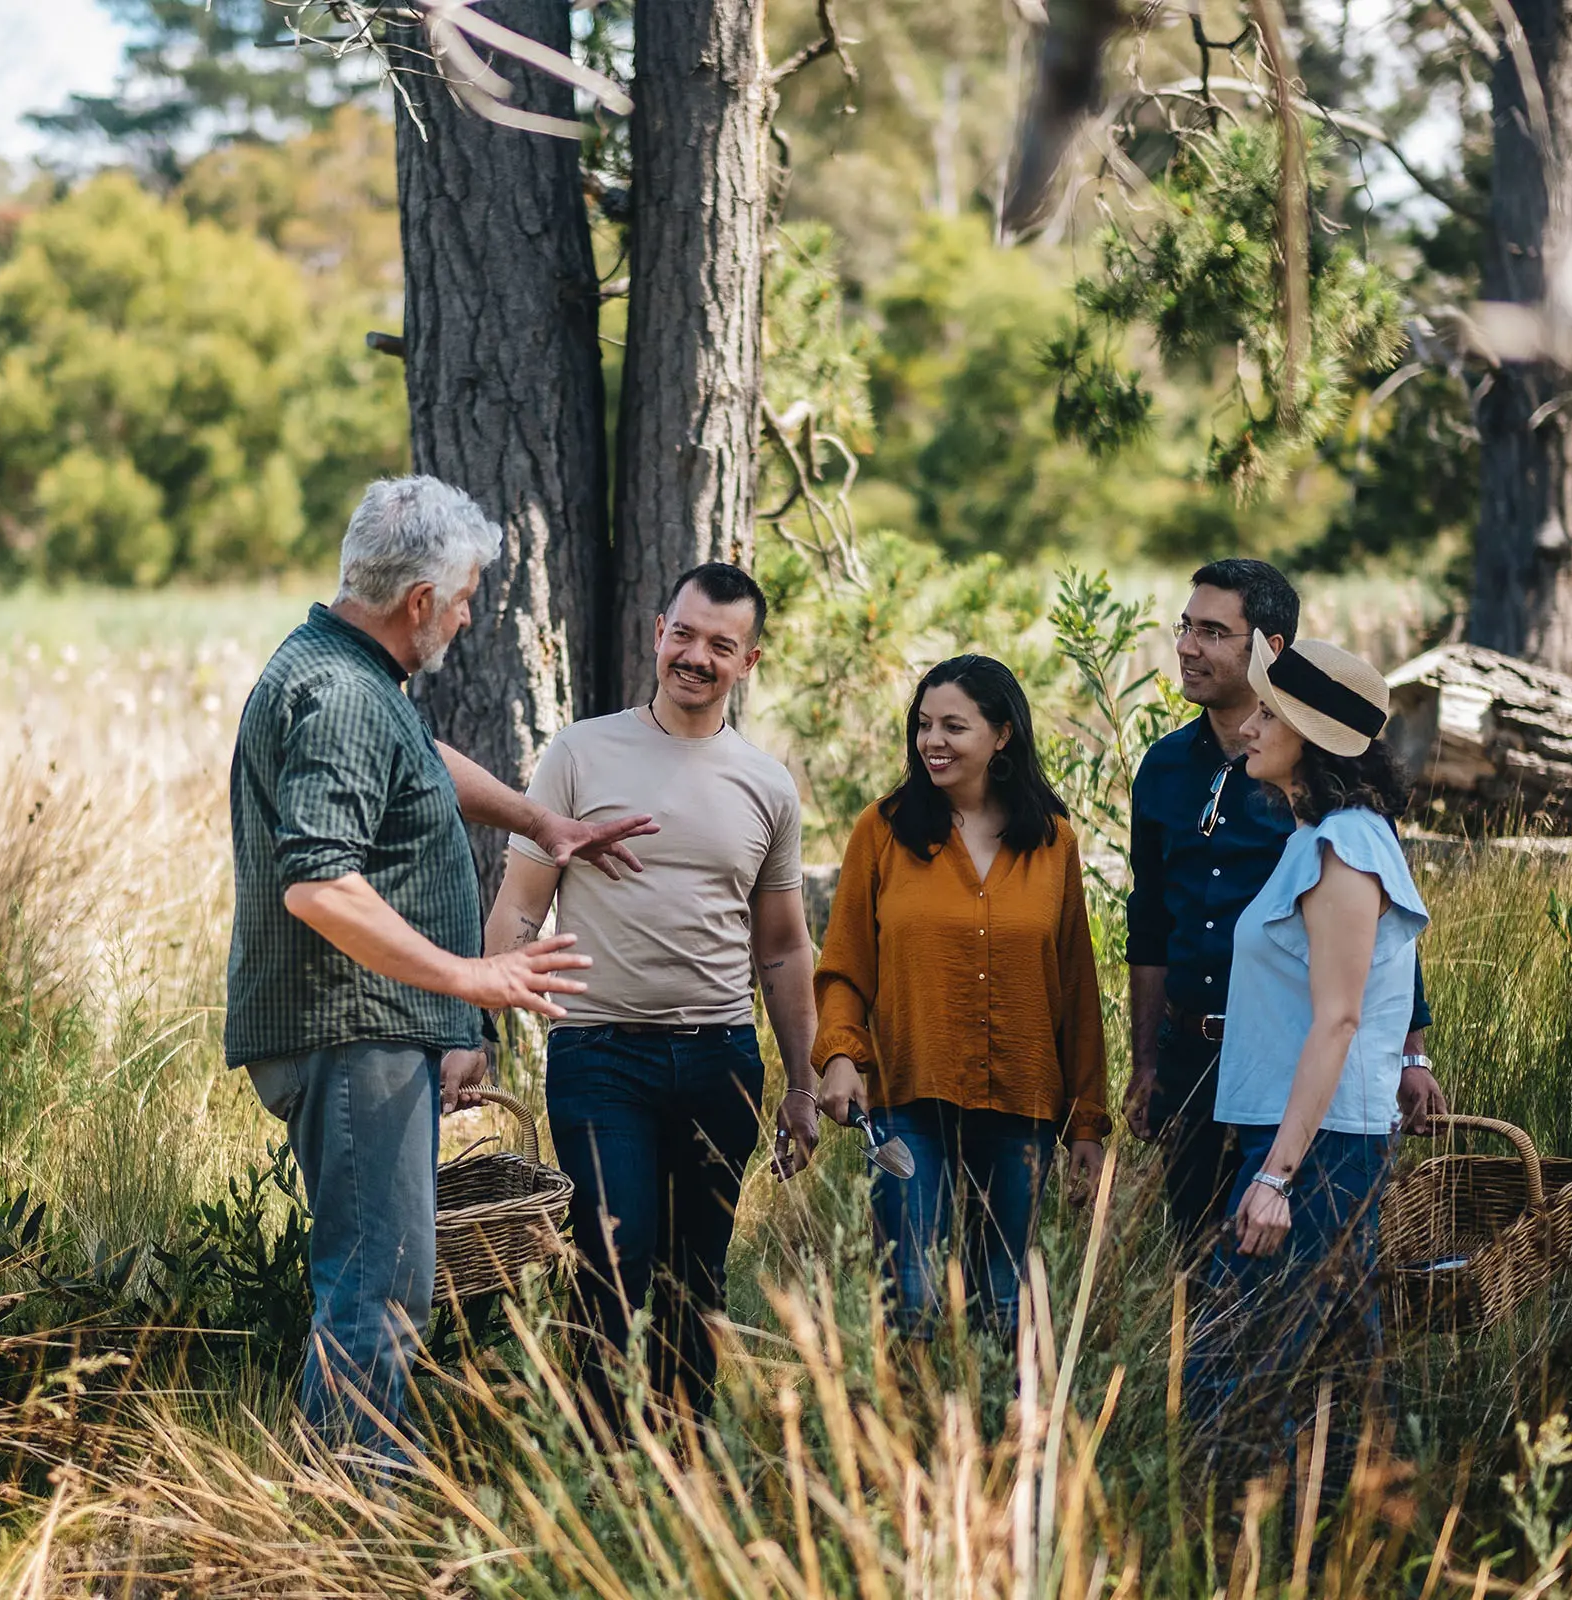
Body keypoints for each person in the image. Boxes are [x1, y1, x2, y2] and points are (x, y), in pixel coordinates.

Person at [226, 476, 654, 1458]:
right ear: (419, 601)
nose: (468, 614)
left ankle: (347, 1488)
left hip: (375, 1032)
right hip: (351, 1033)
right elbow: (318, 886)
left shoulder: (356, 677)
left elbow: (417, 756)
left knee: (382, 1276)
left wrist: (539, 819)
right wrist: (471, 983)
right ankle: (350, 1517)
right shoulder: (337, 696)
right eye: (463, 597)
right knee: (378, 1283)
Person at [482, 561, 822, 1431]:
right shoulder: (579, 752)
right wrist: (474, 1024)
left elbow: (782, 948)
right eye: (684, 633)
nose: (696, 656)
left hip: (721, 1060)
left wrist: (803, 1083)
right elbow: (519, 906)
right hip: (601, 1057)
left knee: (696, 1275)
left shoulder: (766, 785)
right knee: (611, 1259)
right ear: (656, 631)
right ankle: (602, 1467)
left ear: (748, 662)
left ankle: (684, 1467)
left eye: (721, 645)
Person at [1123, 560, 1445, 1253]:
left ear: (1268, 648)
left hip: (1298, 1074)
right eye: (1186, 627)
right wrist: (1145, 1062)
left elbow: (1373, 945)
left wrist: (1411, 1055)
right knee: (1203, 1267)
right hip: (1195, 1063)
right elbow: (1148, 922)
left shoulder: (1336, 815)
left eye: (1212, 631)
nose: (1187, 646)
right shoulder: (1163, 768)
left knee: (1265, 1295)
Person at [1184, 632, 1430, 1480]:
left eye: (1267, 714)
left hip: (1319, 1153)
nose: (1247, 728)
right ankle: (1345, 1542)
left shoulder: (1345, 850)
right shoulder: (1320, 839)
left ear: (1312, 740)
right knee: (1332, 1373)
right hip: (1304, 1142)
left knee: (1239, 1374)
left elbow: (1339, 1020)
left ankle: (1255, 1544)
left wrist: (1277, 1176)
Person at [814, 655, 1111, 1337]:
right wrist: (839, 1056)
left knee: (1004, 1307)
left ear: (1002, 735)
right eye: (923, 725)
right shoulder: (882, 830)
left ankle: (1001, 1439)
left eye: (954, 725)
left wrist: (1086, 1123)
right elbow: (844, 965)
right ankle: (906, 1439)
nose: (932, 742)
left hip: (1021, 1104)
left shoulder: (1053, 841)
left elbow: (1074, 987)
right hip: (907, 1098)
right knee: (911, 1300)